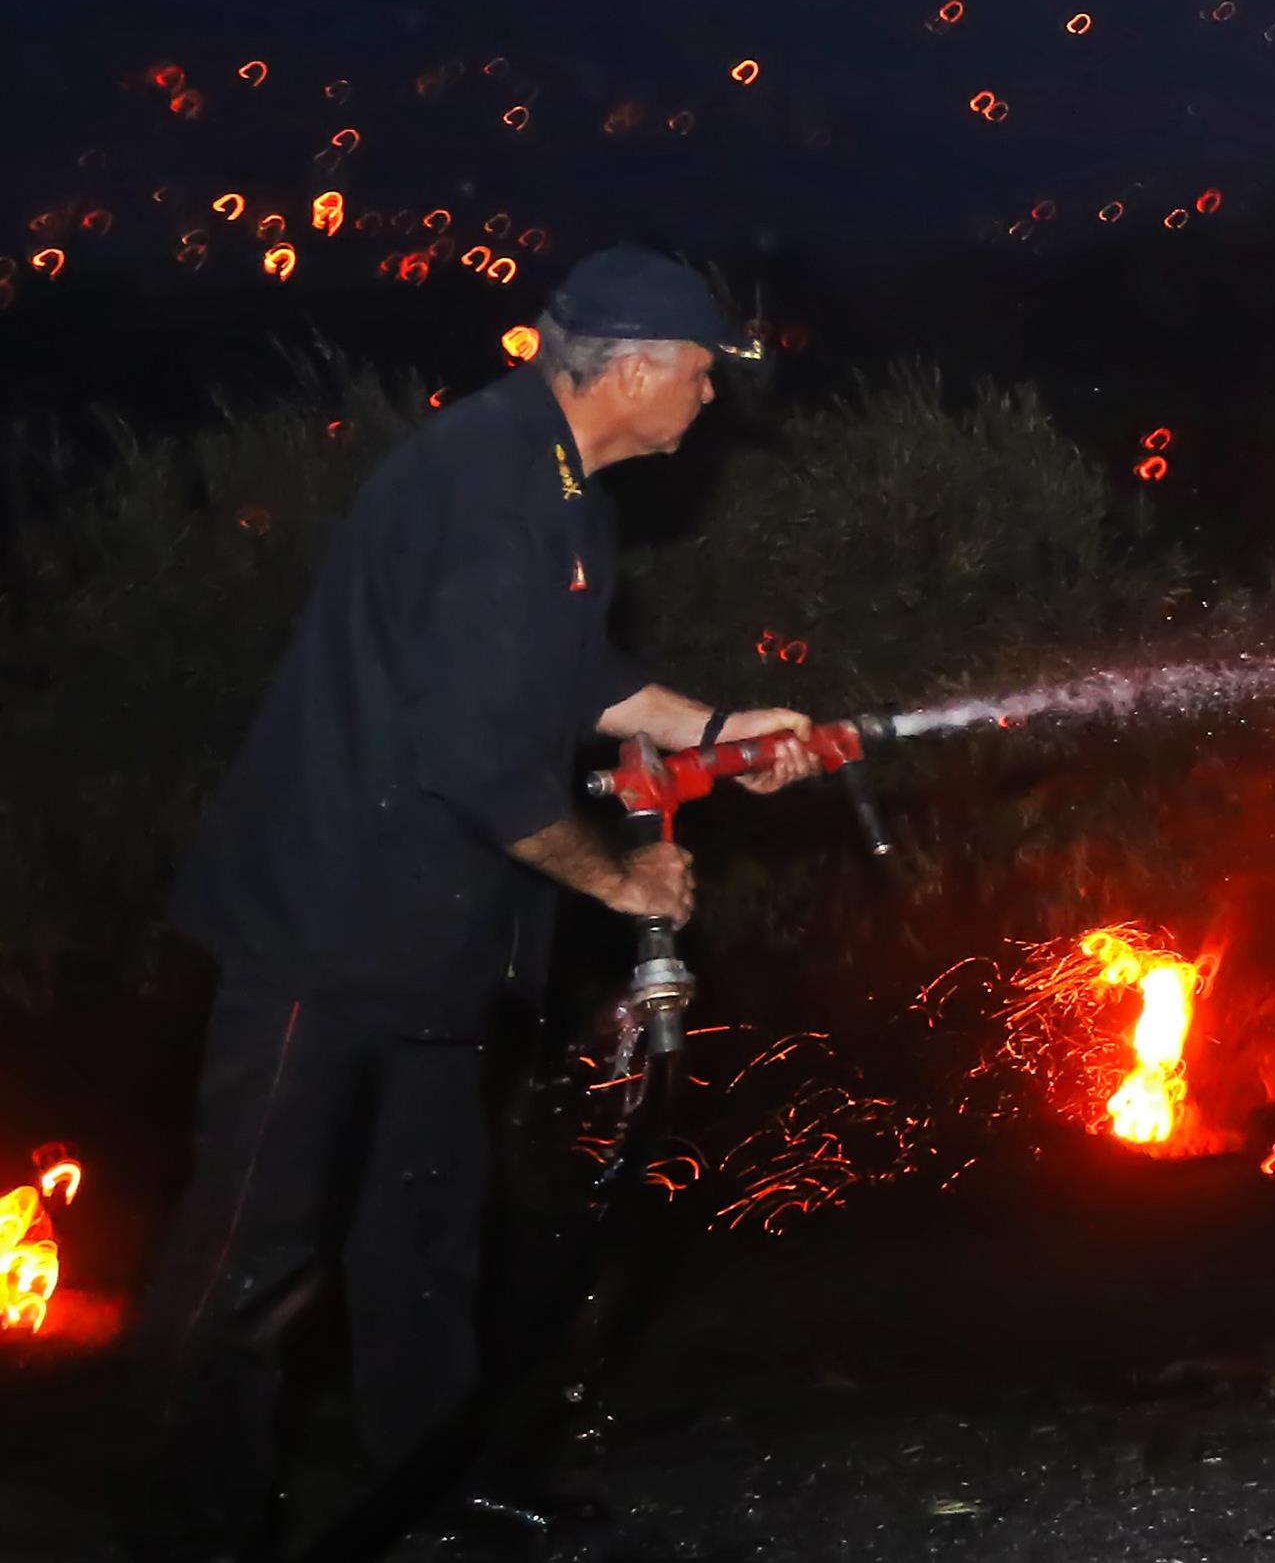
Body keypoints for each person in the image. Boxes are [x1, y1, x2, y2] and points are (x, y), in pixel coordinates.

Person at [121, 246, 817, 1561]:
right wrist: (620, 881)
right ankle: (193, 1531)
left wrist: (722, 723)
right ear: (629, 370)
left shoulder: (565, 486)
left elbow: (574, 678)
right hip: (321, 928)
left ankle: (429, 1489)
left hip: (439, 934)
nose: (710, 401)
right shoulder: (490, 488)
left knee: (424, 1238)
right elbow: (477, 759)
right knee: (253, 1259)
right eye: (700, 375)